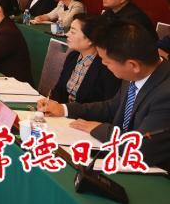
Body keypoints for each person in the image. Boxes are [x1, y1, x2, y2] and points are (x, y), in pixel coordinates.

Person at [38, 21, 170, 170]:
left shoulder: (165, 94)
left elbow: (139, 148)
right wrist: (64, 109)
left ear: (133, 65)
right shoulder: (135, 74)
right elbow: (112, 107)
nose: (103, 64)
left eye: (107, 62)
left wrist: (99, 129)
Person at [48, 14, 120, 104]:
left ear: (90, 40)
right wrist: (51, 103)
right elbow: (59, 89)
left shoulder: (106, 67)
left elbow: (106, 106)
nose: (67, 34)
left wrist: (65, 109)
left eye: (73, 32)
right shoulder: (73, 56)